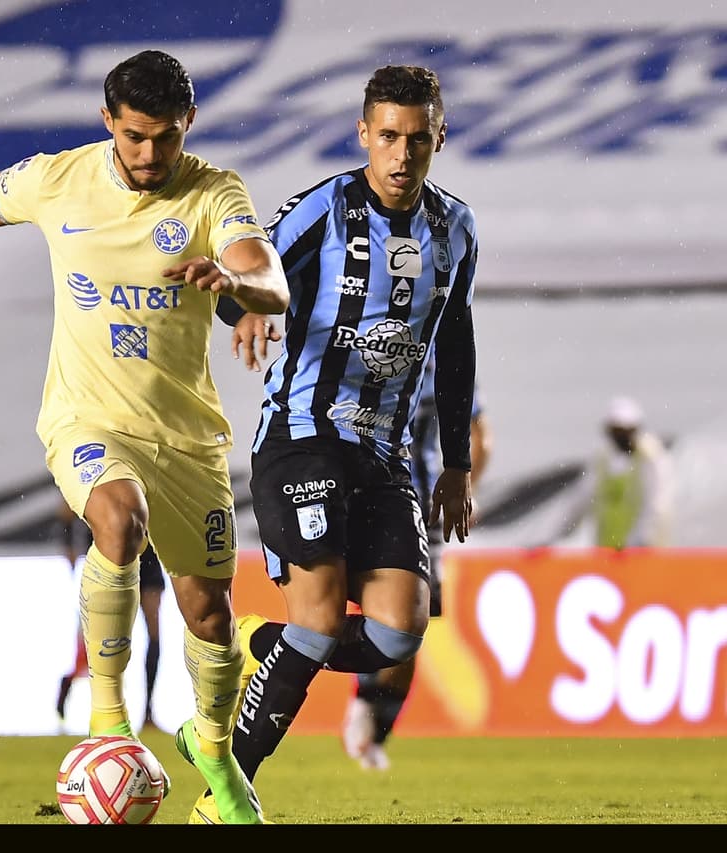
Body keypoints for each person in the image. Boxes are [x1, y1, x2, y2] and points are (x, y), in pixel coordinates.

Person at [0, 49, 289, 823]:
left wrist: (237, 285)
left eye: (164, 137)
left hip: (186, 439)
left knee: (209, 620)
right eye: (133, 137)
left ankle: (215, 751)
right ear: (108, 123)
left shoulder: (214, 192)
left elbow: (273, 281)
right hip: (85, 418)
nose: (149, 155)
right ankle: (108, 724)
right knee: (118, 520)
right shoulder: (56, 179)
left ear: (187, 124)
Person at [210, 65, 480, 808]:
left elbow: (454, 341)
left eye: (417, 140)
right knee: (323, 620)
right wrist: (254, 306)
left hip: (387, 455)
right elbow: (244, 282)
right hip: (303, 435)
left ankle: (277, 646)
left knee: (400, 634)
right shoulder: (324, 210)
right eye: (387, 136)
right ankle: (228, 785)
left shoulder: (456, 228)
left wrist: (455, 463)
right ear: (364, 133)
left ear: (439, 139)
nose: (401, 155)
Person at [340, 359, 491, 770]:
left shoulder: (444, 361)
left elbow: (480, 437)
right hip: (363, 500)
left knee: (411, 631)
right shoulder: (367, 349)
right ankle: (362, 703)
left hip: (422, 513)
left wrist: (465, 488)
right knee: (370, 616)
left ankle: (373, 722)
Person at [53, 498, 166, 732]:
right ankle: (88, 698)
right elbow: (67, 507)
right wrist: (69, 547)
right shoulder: (99, 466)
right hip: (108, 554)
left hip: (147, 555)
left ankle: (147, 712)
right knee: (101, 635)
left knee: (153, 635)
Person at [558, 395, 673, 549]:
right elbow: (581, 501)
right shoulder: (602, 460)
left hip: (644, 555)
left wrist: (637, 542)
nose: (621, 437)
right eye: (616, 431)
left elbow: (656, 506)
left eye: (625, 431)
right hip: (608, 554)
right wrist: (558, 536)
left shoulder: (651, 459)